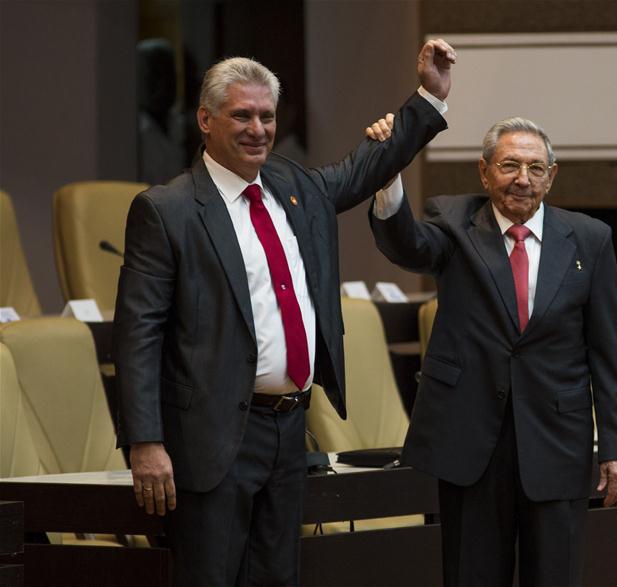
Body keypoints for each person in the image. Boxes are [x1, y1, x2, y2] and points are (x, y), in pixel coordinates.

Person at [113, 40, 456, 586]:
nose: (258, 129)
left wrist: (428, 98)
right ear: (205, 119)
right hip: (211, 437)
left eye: (267, 116)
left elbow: (366, 167)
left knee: (278, 578)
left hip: (289, 427)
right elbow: (138, 334)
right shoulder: (167, 209)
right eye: (241, 115)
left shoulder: (294, 187)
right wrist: (146, 442)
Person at [367, 115, 617, 586]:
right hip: (473, 443)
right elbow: (406, 244)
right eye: (510, 165)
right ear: (484, 172)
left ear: (552, 177)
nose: (522, 179)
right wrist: (388, 174)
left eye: (535, 168)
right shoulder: (454, 223)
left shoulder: (591, 240)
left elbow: (609, 352)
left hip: (557, 441)